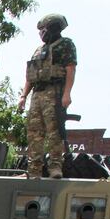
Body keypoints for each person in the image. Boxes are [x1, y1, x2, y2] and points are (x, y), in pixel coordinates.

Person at [18, 13, 77, 179]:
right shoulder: (39, 50)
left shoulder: (65, 44)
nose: (41, 33)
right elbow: (30, 76)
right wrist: (23, 96)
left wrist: (67, 94)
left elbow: (70, 69)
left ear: (52, 28)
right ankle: (34, 171)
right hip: (37, 93)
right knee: (34, 133)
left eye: (43, 29)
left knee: (54, 131)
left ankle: (55, 168)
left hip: (55, 92)